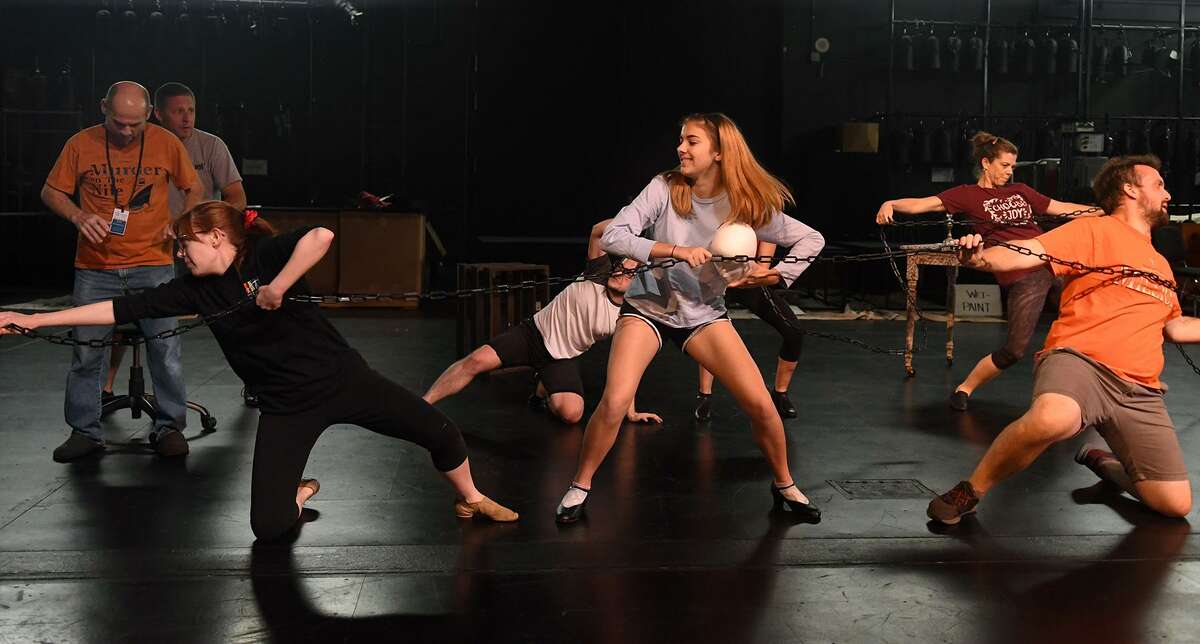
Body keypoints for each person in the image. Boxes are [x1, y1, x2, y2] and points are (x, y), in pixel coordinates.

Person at [0, 201, 518, 540]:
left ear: (218, 239)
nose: (179, 254)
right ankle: (297, 491)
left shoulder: (262, 255)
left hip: (346, 381)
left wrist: (278, 285)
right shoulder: (191, 290)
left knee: (440, 432)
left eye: (186, 244)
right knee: (269, 528)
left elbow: (320, 236)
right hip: (285, 406)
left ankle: (471, 500)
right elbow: (116, 311)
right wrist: (33, 319)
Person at [554, 112, 825, 524]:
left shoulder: (743, 203)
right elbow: (613, 235)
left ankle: (785, 484)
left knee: (761, 405)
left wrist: (774, 275)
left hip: (703, 316)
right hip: (647, 310)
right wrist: (674, 251)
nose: (681, 148)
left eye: (692, 141)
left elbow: (811, 239)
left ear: (718, 152)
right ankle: (580, 485)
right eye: (681, 140)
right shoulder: (665, 187)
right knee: (614, 401)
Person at [927, 155, 1194, 525]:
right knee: (1055, 419)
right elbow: (1027, 252)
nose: (1168, 193)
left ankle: (1104, 462)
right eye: (1159, 185)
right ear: (1129, 190)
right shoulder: (1093, 230)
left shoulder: (1161, 265)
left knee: (1174, 504)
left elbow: (1176, 328)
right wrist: (982, 260)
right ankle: (970, 490)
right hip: (1081, 362)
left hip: (1141, 390)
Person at [875, 132, 1097, 411]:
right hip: (1021, 274)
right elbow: (922, 204)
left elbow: (1062, 209)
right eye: (1005, 165)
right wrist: (891, 204)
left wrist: (1101, 212)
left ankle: (1093, 393)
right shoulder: (967, 195)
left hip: (1055, 263)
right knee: (1014, 351)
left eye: (1012, 166)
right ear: (986, 163)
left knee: (1090, 324)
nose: (1010, 172)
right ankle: (964, 388)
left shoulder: (1021, 191)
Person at [40, 81, 201, 461]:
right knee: (86, 350)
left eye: (135, 124)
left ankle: (169, 427)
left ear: (147, 114)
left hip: (154, 263)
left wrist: (179, 221)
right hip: (96, 267)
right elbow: (51, 192)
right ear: (103, 109)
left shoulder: (164, 142)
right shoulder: (81, 143)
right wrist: (79, 216)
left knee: (165, 349)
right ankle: (85, 430)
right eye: (119, 123)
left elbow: (194, 189)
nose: (127, 132)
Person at [423, 219, 661, 425]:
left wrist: (631, 412)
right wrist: (637, 224)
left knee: (572, 414)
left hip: (561, 358)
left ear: (637, 283)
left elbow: (628, 365)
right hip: (531, 335)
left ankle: (543, 385)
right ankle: (424, 403)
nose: (620, 274)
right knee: (475, 361)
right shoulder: (596, 274)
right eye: (620, 267)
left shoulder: (626, 316)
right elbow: (598, 230)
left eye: (629, 273)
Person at [103, 82, 253, 406]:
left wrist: (212, 234)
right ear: (157, 114)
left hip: (199, 248)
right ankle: (106, 386)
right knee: (125, 309)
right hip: (152, 248)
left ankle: (255, 379)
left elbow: (236, 197)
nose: (186, 118)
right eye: (178, 111)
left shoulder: (211, 146)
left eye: (191, 111)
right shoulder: (141, 147)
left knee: (232, 314)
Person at [694, 239, 805, 421]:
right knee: (709, 331)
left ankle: (780, 394)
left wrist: (756, 275)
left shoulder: (763, 217)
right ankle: (704, 395)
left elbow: (764, 262)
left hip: (749, 280)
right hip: (717, 278)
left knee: (793, 331)